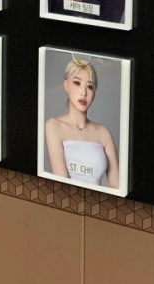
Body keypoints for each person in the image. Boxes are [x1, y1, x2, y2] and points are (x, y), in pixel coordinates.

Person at [44, 56, 119, 187]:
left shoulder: (103, 133)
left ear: (94, 92)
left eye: (89, 86)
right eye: (77, 83)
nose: (83, 92)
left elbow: (117, 186)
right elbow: (62, 184)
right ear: (66, 85)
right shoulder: (54, 126)